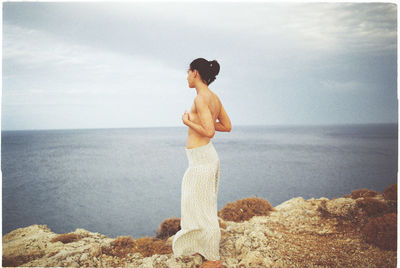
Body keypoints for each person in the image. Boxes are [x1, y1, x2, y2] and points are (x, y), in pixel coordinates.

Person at [172, 58, 232, 268]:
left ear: (195, 73)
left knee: (201, 207)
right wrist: (200, 121)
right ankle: (203, 246)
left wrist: (188, 121)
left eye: (188, 71)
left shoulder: (201, 98)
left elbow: (210, 131)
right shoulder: (213, 97)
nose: (187, 76)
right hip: (203, 157)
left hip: (202, 160)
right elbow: (227, 125)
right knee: (196, 204)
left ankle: (214, 259)